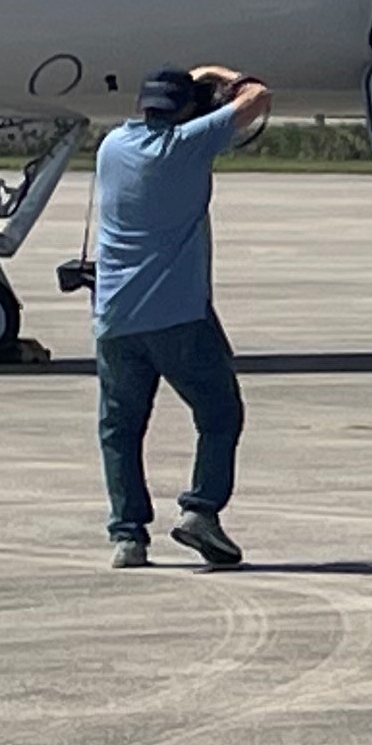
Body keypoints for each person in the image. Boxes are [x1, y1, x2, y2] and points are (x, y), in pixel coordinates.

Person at [89, 62, 269, 568]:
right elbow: (258, 97)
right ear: (186, 110)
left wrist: (189, 84)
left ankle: (128, 536)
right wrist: (218, 73)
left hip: (114, 316)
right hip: (177, 315)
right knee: (219, 414)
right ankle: (202, 510)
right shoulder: (184, 147)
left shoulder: (112, 147)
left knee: (121, 429)